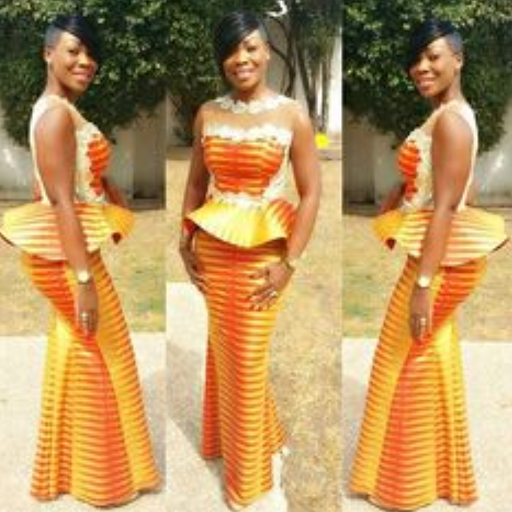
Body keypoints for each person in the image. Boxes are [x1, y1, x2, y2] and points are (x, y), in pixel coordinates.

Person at [0, 14, 160, 506]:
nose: (85, 61)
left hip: (64, 249)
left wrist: (108, 193)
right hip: (66, 257)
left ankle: (65, 469)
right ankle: (101, 480)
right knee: (105, 353)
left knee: (77, 346)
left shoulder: (57, 109)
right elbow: (62, 202)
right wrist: (84, 278)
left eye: (90, 53)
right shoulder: (55, 116)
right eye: (73, 50)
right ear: (48, 54)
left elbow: (62, 181)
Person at [348, 19, 508, 510]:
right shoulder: (450, 115)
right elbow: (460, 188)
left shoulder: (452, 122)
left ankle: (406, 484)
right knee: (430, 351)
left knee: (400, 358)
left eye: (433, 56)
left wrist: (423, 283)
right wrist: (404, 192)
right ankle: (442, 474)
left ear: (458, 59)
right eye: (416, 59)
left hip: (438, 264)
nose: (422, 67)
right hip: (442, 256)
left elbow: (446, 207)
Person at [178, 10, 321, 510]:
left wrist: (290, 264)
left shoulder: (292, 115)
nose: (241, 58)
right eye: (232, 50)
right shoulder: (207, 113)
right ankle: (266, 439)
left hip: (265, 252)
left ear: (267, 52)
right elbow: (196, 184)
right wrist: (183, 241)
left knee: (247, 358)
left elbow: (311, 192)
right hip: (214, 250)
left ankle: (251, 485)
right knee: (227, 351)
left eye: (251, 47)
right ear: (222, 58)